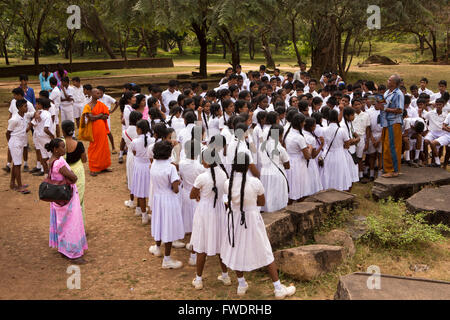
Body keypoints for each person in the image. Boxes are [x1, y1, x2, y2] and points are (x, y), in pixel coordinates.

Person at [221, 152, 296, 299]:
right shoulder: (255, 182)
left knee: (236, 248)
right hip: (252, 218)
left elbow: (230, 200)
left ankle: (241, 284)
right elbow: (261, 203)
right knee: (265, 249)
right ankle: (278, 288)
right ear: (248, 166)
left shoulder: (227, 183)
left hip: (235, 219)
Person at [189, 147, 230, 290]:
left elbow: (192, 195)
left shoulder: (202, 177)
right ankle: (225, 275)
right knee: (221, 243)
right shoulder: (223, 175)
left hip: (205, 210)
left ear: (206, 161)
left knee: (201, 245)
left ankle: (199, 279)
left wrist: (201, 195)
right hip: (219, 210)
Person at [46, 138, 87, 264]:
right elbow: (73, 177)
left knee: (62, 224)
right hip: (67, 198)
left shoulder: (52, 160)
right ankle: (73, 253)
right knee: (71, 223)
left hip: (58, 199)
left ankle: (64, 249)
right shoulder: (59, 163)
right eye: (62, 147)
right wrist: (72, 176)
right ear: (55, 149)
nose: (64, 149)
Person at [148, 141, 185, 269]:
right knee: (168, 227)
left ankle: (157, 248)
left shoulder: (153, 165)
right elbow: (175, 189)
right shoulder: (171, 168)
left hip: (157, 198)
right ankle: (167, 259)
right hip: (169, 199)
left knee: (159, 223)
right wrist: (179, 182)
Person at [179, 140, 206, 265]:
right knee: (196, 224)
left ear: (185, 151)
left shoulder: (182, 164)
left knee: (189, 220)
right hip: (196, 197)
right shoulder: (200, 167)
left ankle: (192, 245)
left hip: (185, 194)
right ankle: (193, 255)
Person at [375, 75, 405, 178]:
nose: (387, 81)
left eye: (390, 80)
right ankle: (387, 168)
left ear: (394, 83)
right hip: (386, 123)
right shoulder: (387, 92)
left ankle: (394, 170)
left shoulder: (399, 94)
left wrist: (385, 109)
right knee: (386, 146)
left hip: (394, 123)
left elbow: (400, 110)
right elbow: (383, 105)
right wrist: (378, 104)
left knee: (392, 146)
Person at [81, 88, 112, 176]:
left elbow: (106, 116)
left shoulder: (101, 104)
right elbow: (91, 118)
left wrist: (98, 116)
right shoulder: (88, 106)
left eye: (99, 93)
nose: (99, 95)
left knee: (104, 147)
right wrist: (100, 115)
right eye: (97, 93)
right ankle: (94, 168)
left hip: (102, 129)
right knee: (94, 147)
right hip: (93, 129)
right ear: (92, 94)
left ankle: (104, 166)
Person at [259, 124, 290, 212]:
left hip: (264, 173)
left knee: (267, 194)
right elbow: (287, 165)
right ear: (280, 135)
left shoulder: (263, 145)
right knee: (277, 197)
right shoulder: (280, 148)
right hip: (277, 174)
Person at [62, 120, 87, 225]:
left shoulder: (60, 144)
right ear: (73, 130)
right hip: (78, 173)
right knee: (79, 201)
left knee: (66, 202)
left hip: (65, 174)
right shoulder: (79, 144)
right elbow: (84, 160)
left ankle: (67, 226)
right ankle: (80, 227)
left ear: (63, 131)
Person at [321, 110, 353, 191]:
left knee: (329, 172)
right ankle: (339, 189)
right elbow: (347, 144)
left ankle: (329, 189)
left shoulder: (324, 130)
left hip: (328, 154)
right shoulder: (341, 130)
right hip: (339, 154)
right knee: (339, 172)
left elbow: (323, 142)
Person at [284, 113, 311, 203]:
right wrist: (310, 148)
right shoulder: (299, 137)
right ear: (300, 123)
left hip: (289, 160)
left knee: (291, 186)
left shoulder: (288, 133)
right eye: (303, 122)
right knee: (300, 187)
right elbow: (307, 156)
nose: (305, 124)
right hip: (298, 163)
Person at [130, 120, 154, 225]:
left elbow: (135, 153)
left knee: (141, 192)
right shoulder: (152, 140)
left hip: (139, 167)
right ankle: (151, 213)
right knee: (151, 190)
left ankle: (144, 215)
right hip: (149, 167)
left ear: (139, 129)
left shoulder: (134, 142)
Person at [6, 99, 31, 194]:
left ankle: (12, 183)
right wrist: (11, 144)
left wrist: (31, 125)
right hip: (15, 143)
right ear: (19, 108)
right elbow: (7, 133)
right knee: (17, 164)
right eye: (25, 106)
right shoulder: (14, 119)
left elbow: (23, 131)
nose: (27, 107)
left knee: (16, 163)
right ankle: (20, 186)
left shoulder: (23, 116)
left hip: (20, 142)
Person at [123, 111, 142, 209]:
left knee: (130, 177)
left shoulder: (125, 132)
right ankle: (139, 206)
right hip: (139, 156)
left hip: (130, 156)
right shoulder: (140, 131)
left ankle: (131, 200)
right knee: (138, 179)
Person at [30, 97, 54, 176]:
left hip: (39, 137)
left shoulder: (39, 112)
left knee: (43, 155)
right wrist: (52, 136)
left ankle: (46, 173)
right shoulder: (47, 114)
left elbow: (33, 123)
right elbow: (46, 129)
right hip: (46, 137)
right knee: (51, 156)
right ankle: (52, 173)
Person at [98, 86, 118, 153]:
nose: (99, 93)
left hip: (106, 117)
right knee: (100, 133)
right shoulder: (96, 98)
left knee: (108, 132)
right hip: (98, 117)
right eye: (98, 92)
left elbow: (116, 103)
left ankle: (113, 147)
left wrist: (111, 111)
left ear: (103, 92)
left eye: (100, 92)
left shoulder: (107, 97)